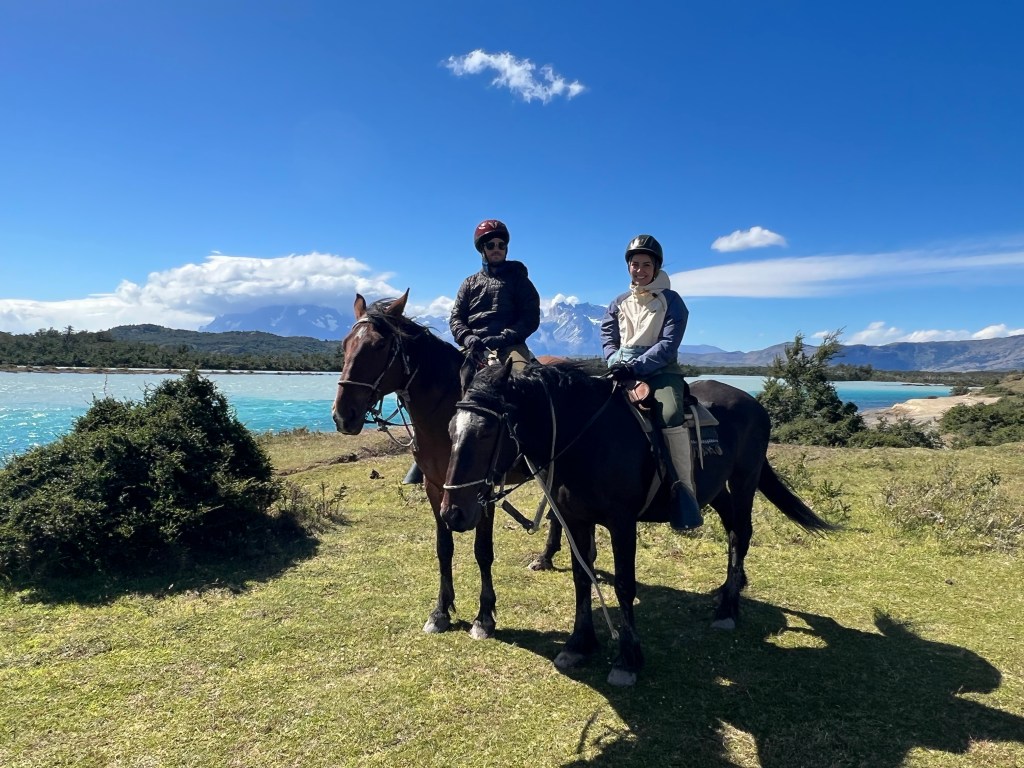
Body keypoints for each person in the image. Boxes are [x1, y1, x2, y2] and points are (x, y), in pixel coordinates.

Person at [600, 234, 703, 530]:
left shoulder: (672, 301)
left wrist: (634, 366)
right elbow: (608, 336)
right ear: (628, 267)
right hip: (621, 370)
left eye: (646, 264)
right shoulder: (619, 302)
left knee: (669, 414)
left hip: (661, 372)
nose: (640, 270)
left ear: (656, 267)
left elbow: (668, 345)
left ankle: (684, 494)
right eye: (635, 264)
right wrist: (614, 361)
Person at [449, 219, 541, 372]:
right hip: (474, 347)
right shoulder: (469, 283)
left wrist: (503, 338)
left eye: (501, 245)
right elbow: (456, 317)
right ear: (482, 249)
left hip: (510, 347)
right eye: (491, 245)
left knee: (521, 377)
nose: (496, 249)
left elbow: (530, 317)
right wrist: (467, 337)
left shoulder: (519, 280)